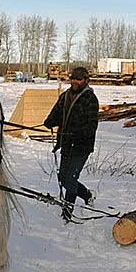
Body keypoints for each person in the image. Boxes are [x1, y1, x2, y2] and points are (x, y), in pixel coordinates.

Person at [43, 67, 99, 222]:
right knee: (63, 178)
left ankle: (67, 213)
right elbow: (56, 114)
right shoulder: (65, 96)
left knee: (70, 180)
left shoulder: (90, 99)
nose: (75, 81)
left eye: (79, 79)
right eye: (73, 78)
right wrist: (49, 122)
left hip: (81, 147)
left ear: (86, 81)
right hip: (66, 144)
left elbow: (91, 125)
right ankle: (87, 194)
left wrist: (77, 134)